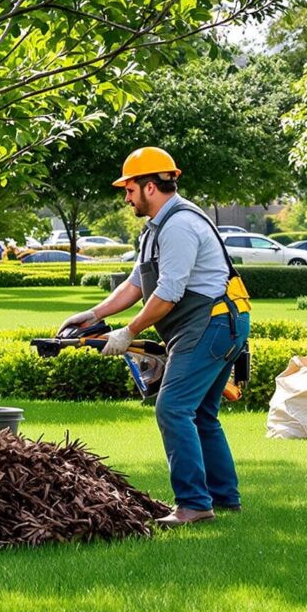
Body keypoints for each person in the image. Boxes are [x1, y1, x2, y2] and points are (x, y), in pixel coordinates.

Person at [61, 147, 251, 527]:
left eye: (129, 189)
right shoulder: (157, 228)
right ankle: (224, 497)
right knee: (200, 414)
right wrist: (95, 315)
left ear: (150, 186)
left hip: (210, 324)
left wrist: (129, 331)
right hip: (217, 323)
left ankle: (194, 505)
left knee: (174, 408)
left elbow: (168, 293)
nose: (126, 197)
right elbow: (137, 283)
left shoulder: (180, 225)